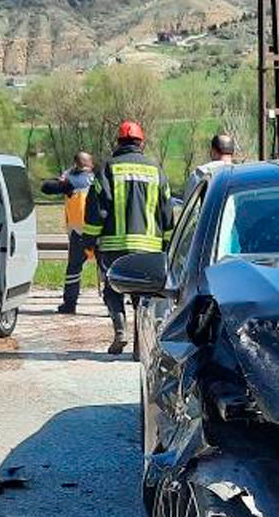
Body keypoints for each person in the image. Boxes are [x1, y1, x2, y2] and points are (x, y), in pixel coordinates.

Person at [84, 121, 173, 355]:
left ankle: (120, 330)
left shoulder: (108, 169)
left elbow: (97, 209)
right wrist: (167, 244)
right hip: (149, 248)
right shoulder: (156, 170)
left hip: (114, 246)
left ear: (118, 142)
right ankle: (139, 344)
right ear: (141, 142)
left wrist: (89, 241)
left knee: (113, 288)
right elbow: (166, 210)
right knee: (143, 295)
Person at [40, 152, 95, 314]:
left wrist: (63, 178)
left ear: (76, 164)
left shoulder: (72, 180)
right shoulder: (99, 178)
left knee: (74, 269)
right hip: (100, 231)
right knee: (106, 269)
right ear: (90, 164)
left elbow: (46, 188)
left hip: (80, 232)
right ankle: (113, 305)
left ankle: (69, 304)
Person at [184, 133, 236, 200]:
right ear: (233, 154)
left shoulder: (199, 175)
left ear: (213, 152)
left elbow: (190, 207)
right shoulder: (242, 175)